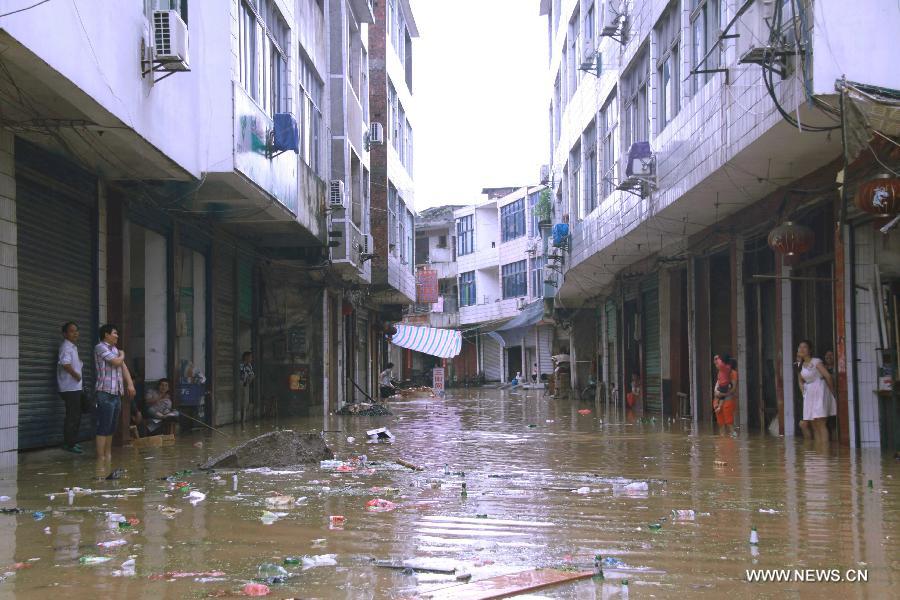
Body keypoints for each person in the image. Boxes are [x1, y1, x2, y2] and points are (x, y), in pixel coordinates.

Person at [94, 324, 136, 461]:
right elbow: (117, 362)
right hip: (104, 392)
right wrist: (123, 354)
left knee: (112, 426)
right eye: (115, 333)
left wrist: (130, 385)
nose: (117, 336)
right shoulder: (100, 347)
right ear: (106, 335)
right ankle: (101, 457)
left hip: (116, 392)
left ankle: (108, 455)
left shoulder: (115, 349)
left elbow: (124, 368)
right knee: (104, 425)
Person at [796, 340, 837, 442]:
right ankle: (818, 450)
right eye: (800, 347)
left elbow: (828, 376)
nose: (802, 349)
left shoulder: (816, 361)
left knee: (821, 422)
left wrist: (832, 392)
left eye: (804, 347)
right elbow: (800, 380)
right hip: (809, 394)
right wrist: (803, 391)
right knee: (813, 423)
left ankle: (825, 450)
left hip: (820, 390)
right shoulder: (800, 365)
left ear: (810, 350)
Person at [58, 322, 84, 454]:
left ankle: (72, 441)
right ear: (65, 334)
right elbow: (65, 364)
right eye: (71, 331)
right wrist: (76, 376)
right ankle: (69, 444)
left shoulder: (72, 347)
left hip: (75, 387)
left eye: (76, 330)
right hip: (69, 388)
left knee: (76, 415)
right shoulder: (66, 347)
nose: (75, 333)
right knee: (72, 416)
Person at [712, 354, 738, 436]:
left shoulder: (732, 373)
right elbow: (717, 385)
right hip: (718, 400)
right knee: (721, 424)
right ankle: (723, 443)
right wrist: (716, 391)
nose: (717, 364)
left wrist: (722, 393)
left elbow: (733, 389)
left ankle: (733, 442)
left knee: (729, 424)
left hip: (727, 401)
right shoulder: (720, 372)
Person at [239, 351, 255, 424]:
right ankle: (241, 421)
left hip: (245, 385)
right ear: (246, 357)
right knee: (241, 402)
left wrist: (250, 378)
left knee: (244, 403)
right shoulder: (241, 365)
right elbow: (241, 375)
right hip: (240, 385)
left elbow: (251, 374)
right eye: (250, 357)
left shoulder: (249, 365)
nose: (251, 358)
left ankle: (243, 421)